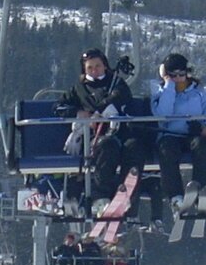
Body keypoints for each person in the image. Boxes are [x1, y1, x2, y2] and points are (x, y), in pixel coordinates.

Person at [59, 48, 145, 214]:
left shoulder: (115, 82)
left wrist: (101, 109)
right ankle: (101, 197)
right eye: (90, 67)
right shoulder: (80, 88)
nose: (94, 70)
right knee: (107, 146)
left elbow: (121, 96)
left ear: (105, 66)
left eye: (98, 66)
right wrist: (79, 114)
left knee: (134, 148)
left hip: (120, 131)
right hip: (96, 137)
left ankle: (126, 194)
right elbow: (59, 107)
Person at [149, 52, 206, 212]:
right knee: (167, 151)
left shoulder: (198, 92)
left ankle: (200, 189)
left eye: (182, 74)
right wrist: (169, 87)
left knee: (202, 146)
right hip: (170, 135)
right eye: (173, 75)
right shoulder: (159, 93)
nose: (179, 78)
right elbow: (163, 115)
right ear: (166, 75)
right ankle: (175, 196)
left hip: (193, 135)